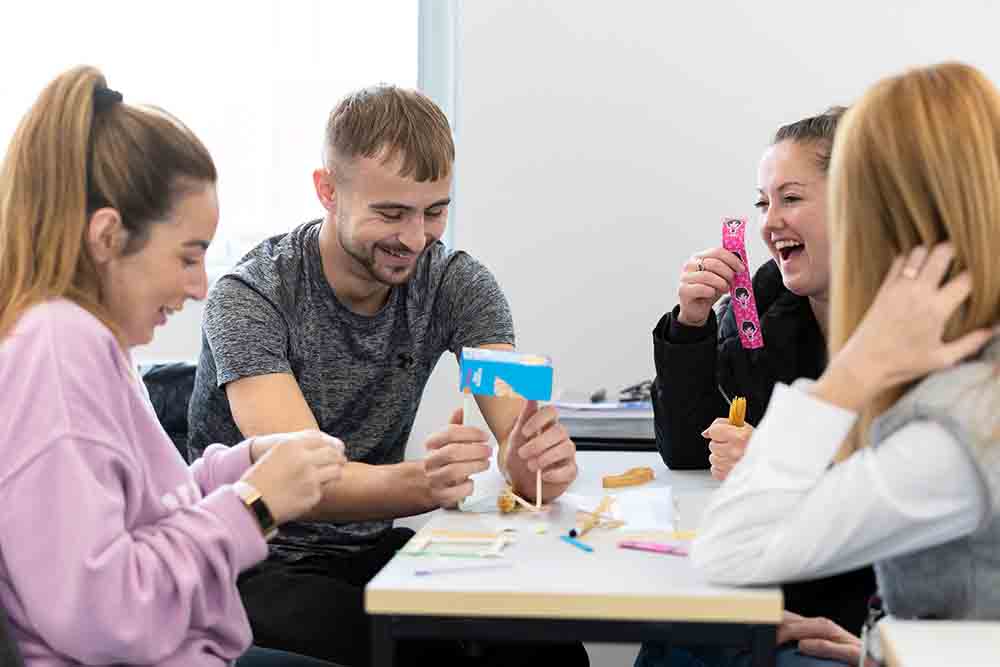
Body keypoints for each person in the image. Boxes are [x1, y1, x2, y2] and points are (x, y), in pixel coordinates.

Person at [187, 84, 585, 666]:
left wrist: (533, 467)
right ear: (328, 190)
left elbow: (519, 433)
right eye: (391, 213)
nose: (416, 238)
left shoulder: (458, 285)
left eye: (435, 211)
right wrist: (425, 483)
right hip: (252, 564)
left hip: (369, 550)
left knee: (547, 652)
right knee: (413, 652)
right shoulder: (250, 297)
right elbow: (299, 484)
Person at [0, 66, 347, 667]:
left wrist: (243, 467)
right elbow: (103, 612)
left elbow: (143, 513)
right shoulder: (57, 350)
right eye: (188, 257)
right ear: (108, 236)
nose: (200, 286)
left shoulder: (87, 342)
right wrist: (254, 507)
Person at [693, 61, 1000, 665]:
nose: (773, 222)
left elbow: (728, 551)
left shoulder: (960, 428)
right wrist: (876, 649)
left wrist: (855, 368)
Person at [641, 109, 875, 666]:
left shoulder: (911, 325)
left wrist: (773, 461)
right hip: (770, 591)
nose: (769, 223)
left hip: (861, 610)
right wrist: (690, 324)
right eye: (762, 203)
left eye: (790, 199)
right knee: (671, 648)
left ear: (858, 203)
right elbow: (688, 450)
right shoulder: (762, 309)